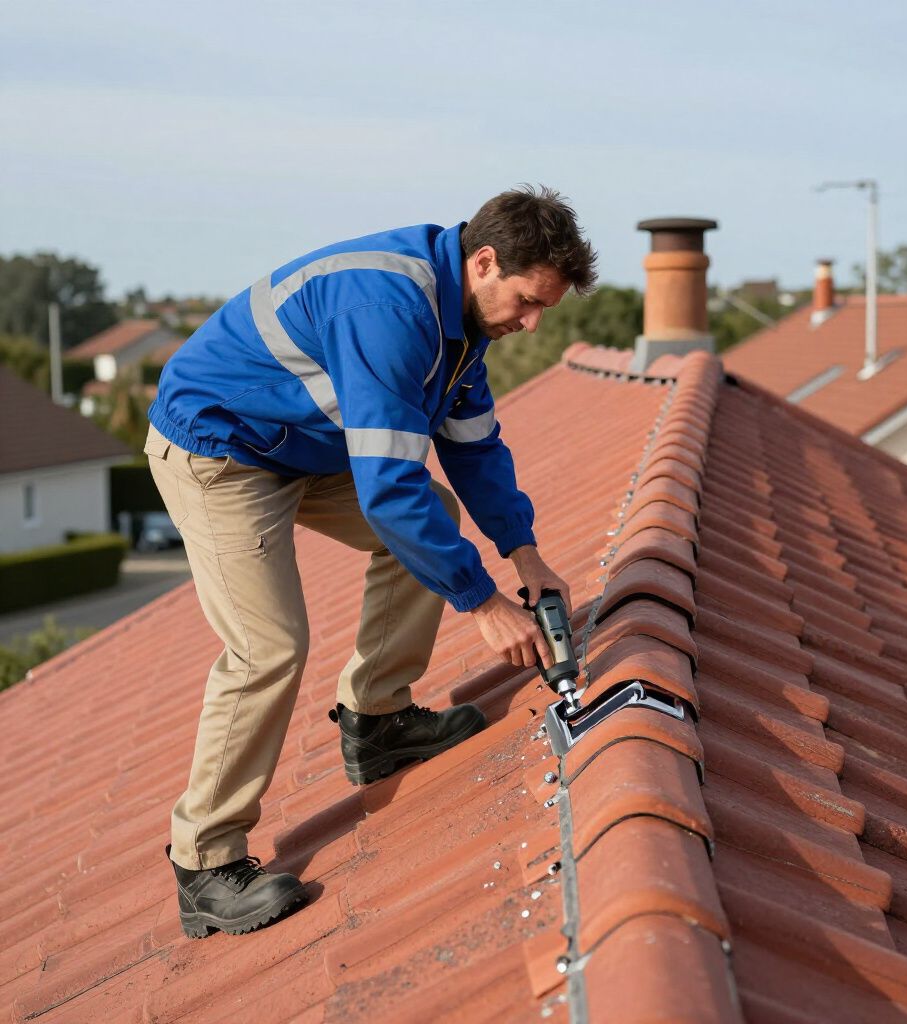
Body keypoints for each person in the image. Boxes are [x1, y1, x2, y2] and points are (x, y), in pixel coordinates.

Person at [146, 184, 598, 937]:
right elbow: (389, 490)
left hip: (303, 448)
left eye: (544, 309)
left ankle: (378, 722)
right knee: (269, 645)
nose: (531, 322)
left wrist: (526, 554)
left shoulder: (464, 324)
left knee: (440, 518)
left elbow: (474, 448)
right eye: (526, 302)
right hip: (219, 449)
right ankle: (205, 862)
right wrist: (483, 602)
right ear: (484, 261)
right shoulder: (390, 310)